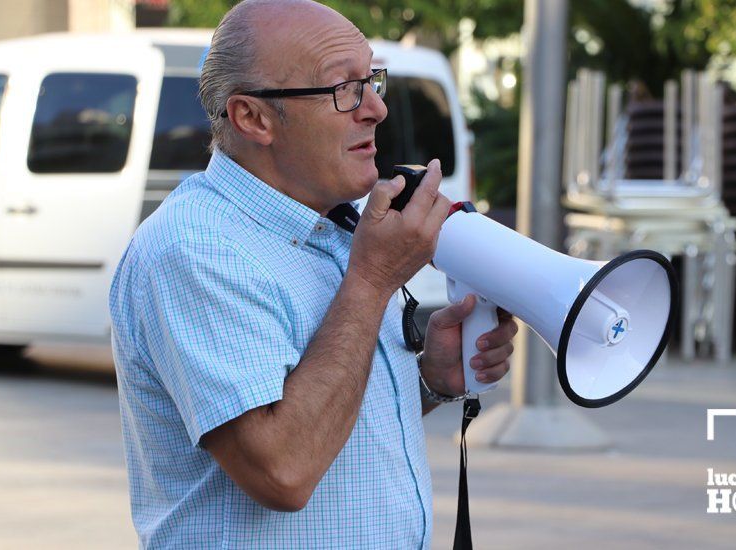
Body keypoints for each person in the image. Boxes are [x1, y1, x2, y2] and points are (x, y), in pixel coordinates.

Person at [108, 0, 518, 547]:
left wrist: (429, 380)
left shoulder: (331, 227)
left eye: (371, 79)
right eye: (342, 89)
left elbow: (327, 414)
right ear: (252, 117)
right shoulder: (197, 249)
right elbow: (283, 470)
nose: (375, 107)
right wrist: (371, 281)